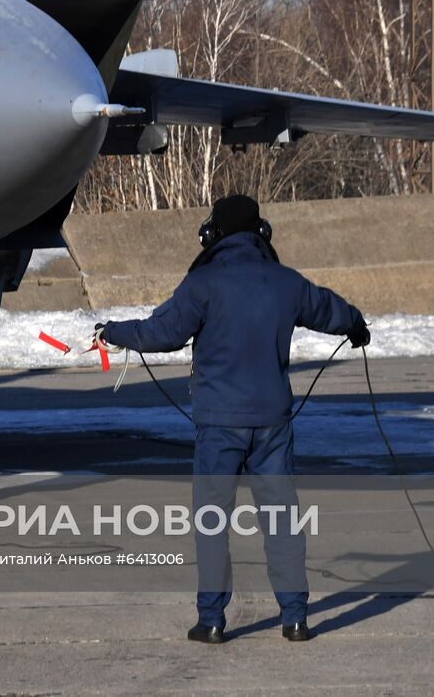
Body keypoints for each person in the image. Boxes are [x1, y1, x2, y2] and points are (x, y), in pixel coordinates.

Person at [93, 194, 369, 644]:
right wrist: (356, 325)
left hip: (219, 425)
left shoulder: (203, 283)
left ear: (214, 234)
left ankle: (213, 619)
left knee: (212, 523)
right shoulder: (286, 282)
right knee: (282, 520)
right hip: (273, 425)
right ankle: (295, 618)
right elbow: (330, 310)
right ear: (261, 232)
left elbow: (161, 332)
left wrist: (114, 331)